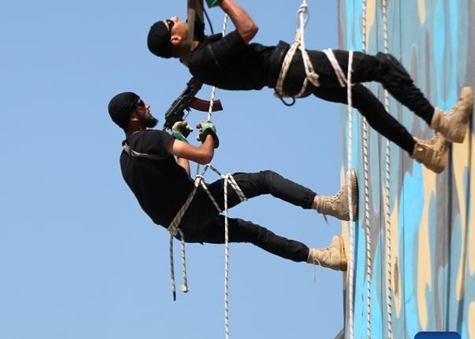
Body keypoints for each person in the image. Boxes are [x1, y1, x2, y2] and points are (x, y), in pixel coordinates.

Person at [145, 0, 472, 174]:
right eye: (171, 21)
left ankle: (424, 154)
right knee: (381, 66)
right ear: (175, 38)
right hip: (293, 68)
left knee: (360, 96)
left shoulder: (192, 54)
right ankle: (443, 122)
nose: (176, 16)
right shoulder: (202, 58)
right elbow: (248, 28)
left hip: (287, 78)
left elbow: (194, 9)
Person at [108, 91, 356, 270]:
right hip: (196, 206)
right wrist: (208, 133)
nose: (148, 105)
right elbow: (204, 156)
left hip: (184, 229)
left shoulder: (125, 158)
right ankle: (333, 206)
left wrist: (177, 137)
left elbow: (179, 178)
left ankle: (326, 259)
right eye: (142, 104)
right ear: (133, 116)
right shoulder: (149, 139)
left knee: (253, 234)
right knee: (265, 180)